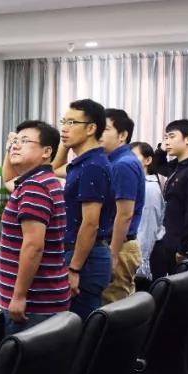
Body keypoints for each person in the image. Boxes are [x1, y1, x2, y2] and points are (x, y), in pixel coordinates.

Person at [0, 121, 70, 336]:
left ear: (46, 152)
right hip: (44, 299)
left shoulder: (34, 186)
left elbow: (33, 246)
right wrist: (10, 150)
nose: (16, 145)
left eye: (25, 141)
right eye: (15, 141)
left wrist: (19, 296)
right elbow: (9, 179)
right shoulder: (42, 180)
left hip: (34, 304)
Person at [58, 98, 115, 321]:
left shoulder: (93, 166)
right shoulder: (83, 162)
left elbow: (90, 223)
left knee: (77, 327)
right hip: (81, 254)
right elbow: (52, 168)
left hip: (85, 258)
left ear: (91, 129)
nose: (64, 128)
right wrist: (65, 143)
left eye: (72, 123)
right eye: (63, 122)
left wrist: (74, 269)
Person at [152, 120, 188, 278]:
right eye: (165, 137)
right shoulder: (179, 165)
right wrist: (161, 150)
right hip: (171, 238)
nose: (167, 142)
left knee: (181, 289)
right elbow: (157, 166)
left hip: (185, 246)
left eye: (171, 137)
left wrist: (184, 249)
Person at [99, 109, 146, 303]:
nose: (98, 133)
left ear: (122, 135)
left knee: (113, 306)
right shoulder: (112, 161)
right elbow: (58, 169)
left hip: (119, 246)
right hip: (119, 244)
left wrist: (113, 254)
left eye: (105, 129)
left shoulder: (123, 164)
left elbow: (125, 214)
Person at [129, 142, 165, 283]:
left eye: (133, 156)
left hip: (143, 260)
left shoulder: (149, 188)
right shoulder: (138, 184)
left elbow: (148, 229)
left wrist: (140, 265)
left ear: (148, 160)